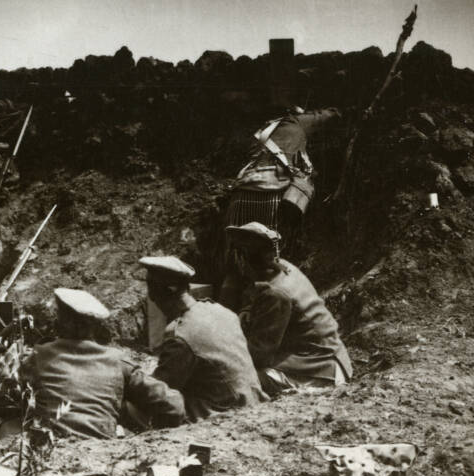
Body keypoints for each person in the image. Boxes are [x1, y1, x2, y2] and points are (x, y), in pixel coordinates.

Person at [0, 287, 185, 439]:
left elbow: (3, 401)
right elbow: (173, 406)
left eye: (59, 315)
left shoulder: (40, 355)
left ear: (63, 321)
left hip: (51, 447)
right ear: (94, 326)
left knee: (8, 425)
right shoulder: (117, 360)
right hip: (100, 451)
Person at [218, 107, 341, 309]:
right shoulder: (295, 122)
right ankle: (266, 313)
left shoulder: (262, 131)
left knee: (237, 259)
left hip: (242, 195)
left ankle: (225, 315)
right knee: (271, 260)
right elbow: (330, 116)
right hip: (273, 192)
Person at [228, 222, 352, 394]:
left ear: (243, 260)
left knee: (236, 379)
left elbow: (259, 354)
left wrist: (225, 350)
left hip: (320, 371)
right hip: (325, 357)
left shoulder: (276, 293)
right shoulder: (284, 268)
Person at [140, 256, 266, 421]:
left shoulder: (181, 335)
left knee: (136, 407)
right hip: (253, 401)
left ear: (156, 292)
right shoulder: (222, 311)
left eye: (150, 287)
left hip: (224, 414)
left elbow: (161, 389)